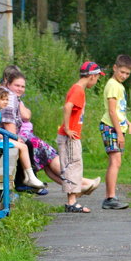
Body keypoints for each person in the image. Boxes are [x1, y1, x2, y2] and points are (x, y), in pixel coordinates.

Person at [0, 66, 89, 197]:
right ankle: (72, 184)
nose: (20, 89)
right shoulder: (8, 98)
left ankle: (73, 185)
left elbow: (27, 115)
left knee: (36, 149)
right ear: (7, 83)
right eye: (17, 85)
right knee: (33, 147)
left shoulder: (8, 98)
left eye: (22, 86)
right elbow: (5, 128)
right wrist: (13, 137)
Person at [57, 61, 105, 213]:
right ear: (92, 76)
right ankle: (72, 202)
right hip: (70, 136)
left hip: (71, 135)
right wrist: (68, 128)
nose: (97, 81)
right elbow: (67, 107)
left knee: (75, 165)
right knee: (73, 166)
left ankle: (74, 198)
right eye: (97, 77)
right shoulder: (78, 90)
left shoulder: (77, 88)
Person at [0, 87, 45, 189]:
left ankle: (28, 176)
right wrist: (14, 139)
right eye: (2, 99)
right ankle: (30, 177)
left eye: (7, 100)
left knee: (22, 146)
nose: (6, 102)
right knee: (23, 147)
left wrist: (14, 138)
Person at [99, 54, 131, 210]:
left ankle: (110, 196)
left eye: (127, 73)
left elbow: (119, 111)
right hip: (111, 127)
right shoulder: (113, 85)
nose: (124, 76)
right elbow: (112, 112)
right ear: (115, 68)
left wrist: (128, 123)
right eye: (122, 72)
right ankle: (109, 198)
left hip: (117, 127)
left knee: (115, 162)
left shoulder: (119, 85)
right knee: (115, 161)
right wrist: (119, 133)